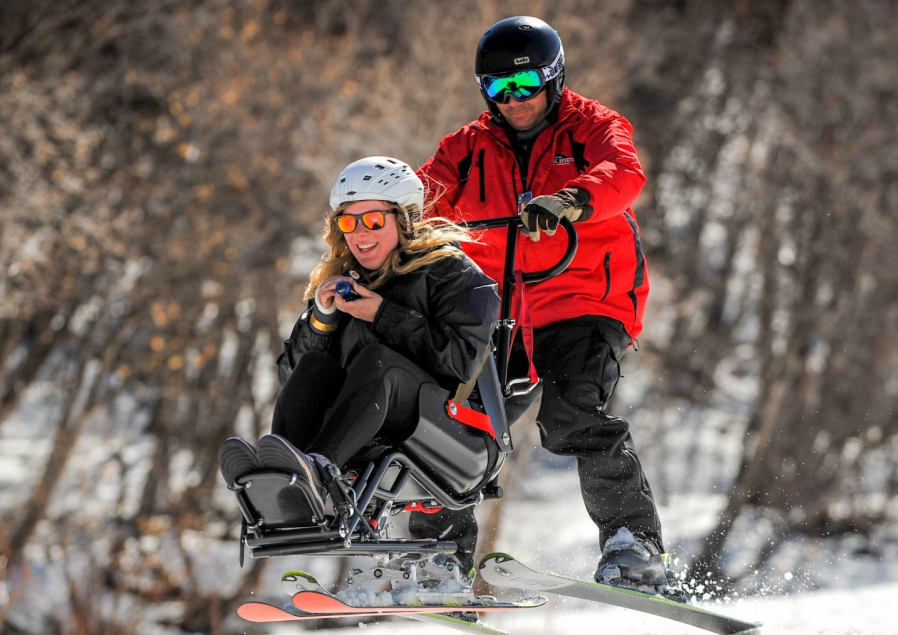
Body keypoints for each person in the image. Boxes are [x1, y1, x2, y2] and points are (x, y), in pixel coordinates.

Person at [415, 16, 676, 596]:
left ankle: (634, 544)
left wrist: (570, 200)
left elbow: (623, 173)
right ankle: (437, 554)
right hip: (501, 306)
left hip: (587, 294)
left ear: (554, 79)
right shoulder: (466, 148)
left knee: (572, 414)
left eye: (525, 84)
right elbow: (423, 198)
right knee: (458, 422)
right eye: (498, 89)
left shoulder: (593, 127)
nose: (514, 100)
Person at [219, 156, 500, 542]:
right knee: (316, 365)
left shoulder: (453, 272)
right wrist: (321, 317)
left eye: (372, 220)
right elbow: (293, 379)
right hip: (360, 426)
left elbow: (461, 361)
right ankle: (286, 483)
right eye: (348, 222)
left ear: (403, 219)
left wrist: (382, 313)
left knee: (378, 360)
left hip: (444, 429)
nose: (359, 233)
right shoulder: (345, 280)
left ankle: (319, 470)